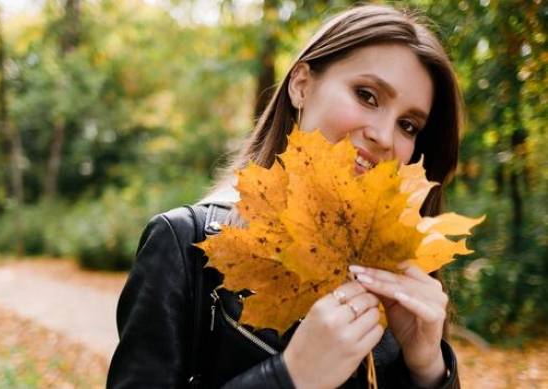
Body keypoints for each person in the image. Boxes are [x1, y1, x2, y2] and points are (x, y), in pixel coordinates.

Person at [107, 4, 462, 388]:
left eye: (408, 125)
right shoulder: (185, 246)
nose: (385, 136)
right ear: (301, 85)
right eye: (367, 95)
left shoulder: (400, 285)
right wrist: (290, 377)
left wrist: (429, 371)